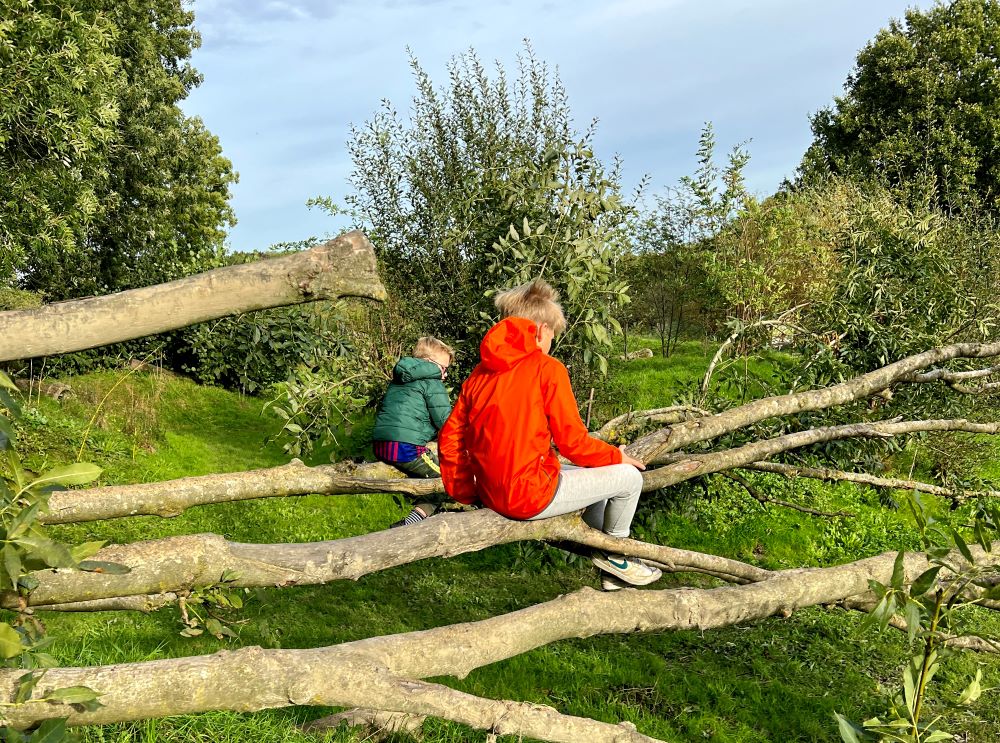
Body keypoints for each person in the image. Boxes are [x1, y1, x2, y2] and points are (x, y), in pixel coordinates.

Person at [439, 279, 660, 589]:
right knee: (628, 478)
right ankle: (618, 555)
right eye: (553, 334)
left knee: (594, 469)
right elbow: (573, 443)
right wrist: (617, 456)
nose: (552, 341)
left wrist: (466, 492)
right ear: (541, 330)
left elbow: (450, 438)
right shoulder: (548, 368)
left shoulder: (480, 374)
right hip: (529, 496)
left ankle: (606, 561)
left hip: (492, 493)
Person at [372, 336, 453, 527]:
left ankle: (425, 510)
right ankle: (410, 523)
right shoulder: (433, 383)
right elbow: (446, 422)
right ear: (430, 364)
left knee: (429, 472)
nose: (445, 375)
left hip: (381, 445)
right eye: (444, 368)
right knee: (447, 481)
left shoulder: (399, 379)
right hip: (405, 449)